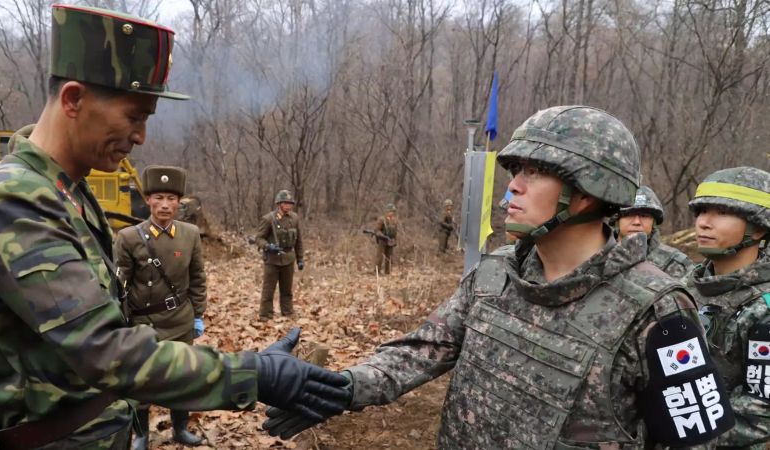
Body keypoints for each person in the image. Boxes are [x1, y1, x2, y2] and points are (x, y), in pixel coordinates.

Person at [0, 5, 350, 449]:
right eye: (134, 116)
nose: (141, 136)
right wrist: (253, 375)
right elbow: (102, 349)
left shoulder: (68, 188)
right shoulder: (18, 199)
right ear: (73, 100)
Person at [264, 105, 734, 448]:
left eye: (535, 172)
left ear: (589, 192)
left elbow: (696, 441)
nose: (513, 185)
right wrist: (341, 388)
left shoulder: (658, 311)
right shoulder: (495, 273)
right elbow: (421, 351)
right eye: (516, 170)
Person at [114, 166, 206, 447]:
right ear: (148, 200)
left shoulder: (190, 234)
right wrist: (120, 321)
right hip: (144, 324)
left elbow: (198, 278)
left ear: (179, 202)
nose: (165, 205)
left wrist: (198, 314)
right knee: (142, 381)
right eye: (158, 198)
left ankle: (179, 430)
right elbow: (119, 285)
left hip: (179, 319)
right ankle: (141, 434)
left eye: (171, 198)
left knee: (182, 377)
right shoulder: (129, 237)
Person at [685, 167, 770, 448]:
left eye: (721, 212)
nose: (704, 223)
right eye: (701, 212)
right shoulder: (681, 289)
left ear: (758, 227)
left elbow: (760, 412)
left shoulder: (764, 307)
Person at [615, 185, 694, 278]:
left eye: (644, 216)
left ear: (654, 223)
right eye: (628, 215)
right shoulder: (598, 258)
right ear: (616, 220)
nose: (636, 222)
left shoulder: (676, 264)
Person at [254, 189, 304, 320]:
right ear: (279, 204)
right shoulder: (269, 219)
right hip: (272, 259)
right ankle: (265, 315)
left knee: (287, 290)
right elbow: (259, 238)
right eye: (285, 203)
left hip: (288, 258)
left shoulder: (294, 218)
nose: (288, 205)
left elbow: (298, 240)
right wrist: (267, 246)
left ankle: (287, 312)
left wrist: (300, 259)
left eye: (290, 203)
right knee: (268, 290)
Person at [374, 204, 398, 274]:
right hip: (382, 240)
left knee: (389, 257)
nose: (392, 213)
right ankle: (377, 271)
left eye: (393, 212)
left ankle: (387, 271)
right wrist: (382, 236)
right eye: (391, 211)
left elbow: (395, 232)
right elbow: (377, 230)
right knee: (380, 257)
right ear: (387, 211)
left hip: (390, 240)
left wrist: (395, 240)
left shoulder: (394, 220)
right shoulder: (382, 219)